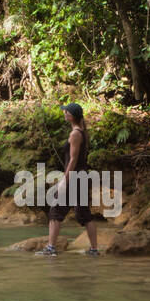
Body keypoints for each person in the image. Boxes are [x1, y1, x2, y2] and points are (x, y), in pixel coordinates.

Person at [36, 103, 99, 257]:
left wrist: (65, 179)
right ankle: (94, 250)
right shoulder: (80, 132)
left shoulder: (75, 134)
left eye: (66, 111)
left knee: (55, 210)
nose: (64, 113)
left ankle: (51, 248)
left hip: (75, 177)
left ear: (71, 116)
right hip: (82, 176)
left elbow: (73, 159)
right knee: (84, 214)